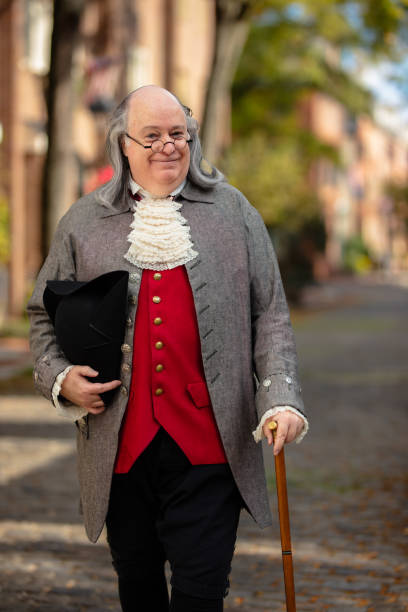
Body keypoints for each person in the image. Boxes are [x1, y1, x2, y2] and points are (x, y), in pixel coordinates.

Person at [28, 85, 308, 612]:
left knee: (201, 594)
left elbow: (269, 313)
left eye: (178, 134)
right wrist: (61, 379)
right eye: (151, 136)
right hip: (121, 451)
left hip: (211, 449)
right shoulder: (83, 222)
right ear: (124, 145)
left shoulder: (234, 212)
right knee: (139, 589)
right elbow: (43, 314)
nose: (168, 146)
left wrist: (281, 398)